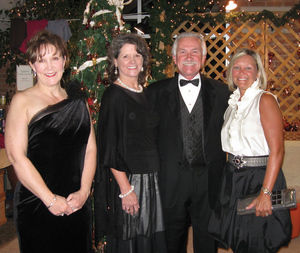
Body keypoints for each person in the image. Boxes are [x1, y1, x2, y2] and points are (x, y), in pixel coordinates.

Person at [5, 30, 96, 253]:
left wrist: (84, 191)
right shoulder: (22, 100)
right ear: (32, 65)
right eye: (41, 60)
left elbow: (91, 149)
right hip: (37, 201)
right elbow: (16, 157)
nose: (49, 67)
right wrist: (50, 199)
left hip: (77, 201)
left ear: (64, 60)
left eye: (55, 58)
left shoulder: (78, 101)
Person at [147, 32, 231, 253]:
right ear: (174, 58)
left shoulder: (222, 93)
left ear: (203, 58)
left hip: (209, 178)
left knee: (207, 238)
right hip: (171, 178)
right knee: (171, 239)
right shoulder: (155, 92)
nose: (189, 56)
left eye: (195, 51)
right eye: (182, 52)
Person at [208, 48, 292, 253]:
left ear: (257, 72)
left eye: (248, 67)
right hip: (233, 177)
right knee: (238, 237)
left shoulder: (265, 100)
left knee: (255, 240)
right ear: (230, 72)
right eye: (236, 67)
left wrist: (266, 192)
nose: (241, 72)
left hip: (258, 178)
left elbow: (278, 151)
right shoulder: (232, 103)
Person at [93, 33, 167, 253]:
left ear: (144, 60)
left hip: (153, 177)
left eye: (137, 55)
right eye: (125, 56)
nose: (132, 61)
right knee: (133, 241)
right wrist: (126, 190)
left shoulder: (145, 93)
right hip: (131, 181)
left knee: (151, 239)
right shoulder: (113, 95)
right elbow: (109, 148)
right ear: (115, 62)